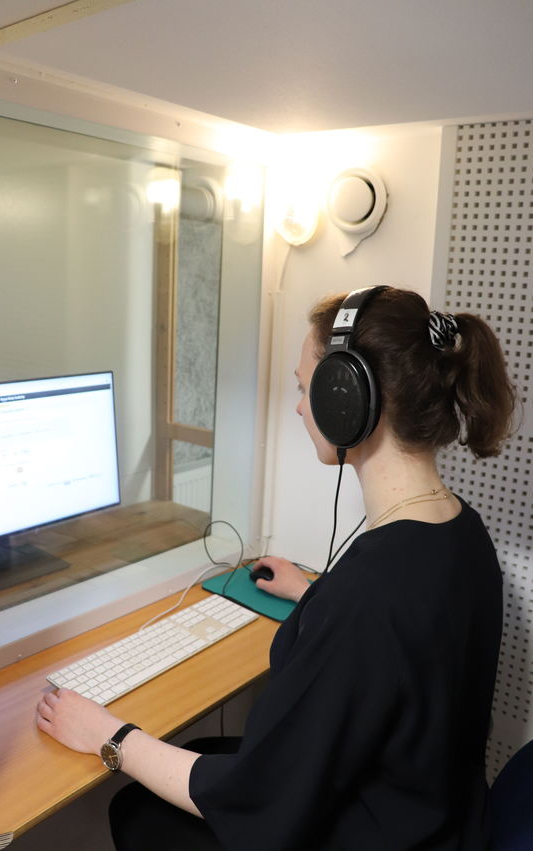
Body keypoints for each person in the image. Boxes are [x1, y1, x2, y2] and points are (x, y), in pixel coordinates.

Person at [36, 285, 517, 850]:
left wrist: (107, 735)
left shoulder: (367, 597)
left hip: (365, 832)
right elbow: (399, 642)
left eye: (303, 385)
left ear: (349, 398)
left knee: (138, 811)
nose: (297, 405)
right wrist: (311, 592)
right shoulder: (461, 531)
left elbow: (258, 801)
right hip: (431, 817)